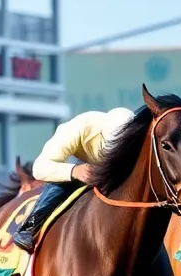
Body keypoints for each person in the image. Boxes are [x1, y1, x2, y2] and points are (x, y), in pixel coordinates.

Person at [12, 107, 134, 253]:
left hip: (118, 170)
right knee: (62, 182)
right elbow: (39, 168)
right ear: (102, 134)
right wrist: (74, 171)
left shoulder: (136, 135)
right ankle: (29, 227)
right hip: (85, 166)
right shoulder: (75, 129)